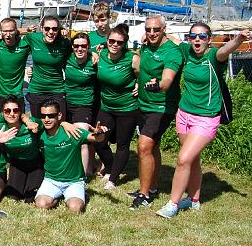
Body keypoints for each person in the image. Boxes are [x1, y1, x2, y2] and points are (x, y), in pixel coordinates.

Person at [156, 26, 251, 219]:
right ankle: (194, 200)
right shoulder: (186, 51)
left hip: (206, 117)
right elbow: (168, 39)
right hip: (184, 113)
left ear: (209, 39)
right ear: (189, 38)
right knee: (193, 159)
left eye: (202, 36)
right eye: (193, 36)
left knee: (183, 159)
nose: (197, 40)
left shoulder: (215, 57)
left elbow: (227, 49)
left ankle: (172, 204)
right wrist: (155, 31)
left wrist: (239, 39)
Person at [131, 15, 183, 209]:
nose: (152, 33)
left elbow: (168, 80)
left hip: (161, 107)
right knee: (153, 147)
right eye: (148, 30)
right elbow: (139, 60)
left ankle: (144, 196)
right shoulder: (146, 46)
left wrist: (158, 86)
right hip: (143, 105)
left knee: (144, 146)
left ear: (164, 29)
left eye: (156, 30)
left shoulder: (172, 52)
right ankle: (152, 187)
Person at [36, 100, 107, 213]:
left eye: (51, 116)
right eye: (43, 116)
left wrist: (100, 133)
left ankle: (77, 195)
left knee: (75, 208)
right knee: (41, 204)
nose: (46, 119)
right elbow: (23, 117)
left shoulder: (71, 131)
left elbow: (95, 138)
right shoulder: (39, 132)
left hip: (74, 181)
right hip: (51, 180)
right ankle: (58, 196)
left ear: (59, 116)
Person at [93, 24, 140, 190]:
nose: (114, 44)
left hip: (127, 108)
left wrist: (139, 84)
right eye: (111, 41)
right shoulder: (101, 54)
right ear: (106, 41)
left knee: (122, 144)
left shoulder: (132, 58)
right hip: (106, 106)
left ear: (124, 43)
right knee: (98, 140)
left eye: (119, 42)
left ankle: (113, 179)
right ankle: (111, 166)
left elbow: (142, 73)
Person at [23, 15, 71, 118]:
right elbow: (14, 41)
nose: (51, 32)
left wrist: (92, 54)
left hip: (57, 90)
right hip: (37, 90)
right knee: (38, 124)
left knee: (60, 123)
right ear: (41, 28)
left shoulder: (64, 43)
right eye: (47, 28)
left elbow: (79, 50)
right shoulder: (33, 38)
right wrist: (29, 67)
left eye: (54, 29)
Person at [65, 32, 99, 174]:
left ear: (88, 46)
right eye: (76, 45)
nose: (79, 49)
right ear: (72, 47)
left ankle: (83, 176)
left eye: (83, 46)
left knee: (82, 138)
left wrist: (136, 84)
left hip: (84, 104)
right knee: (66, 138)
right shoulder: (67, 58)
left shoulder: (94, 61)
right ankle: (68, 169)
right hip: (66, 101)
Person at [0, 18, 31, 114]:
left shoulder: (25, 45)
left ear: (16, 31)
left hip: (16, 94)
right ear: (0, 31)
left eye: (11, 31)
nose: (8, 34)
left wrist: (32, 68)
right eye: (5, 31)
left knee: (16, 127)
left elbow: (42, 45)